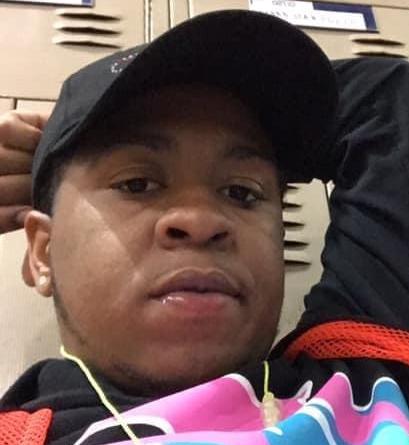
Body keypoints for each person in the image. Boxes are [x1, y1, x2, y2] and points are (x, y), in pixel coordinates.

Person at [1, 8, 409, 445]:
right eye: (137, 184)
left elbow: (390, 103)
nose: (200, 221)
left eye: (241, 192)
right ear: (43, 253)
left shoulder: (361, 378)